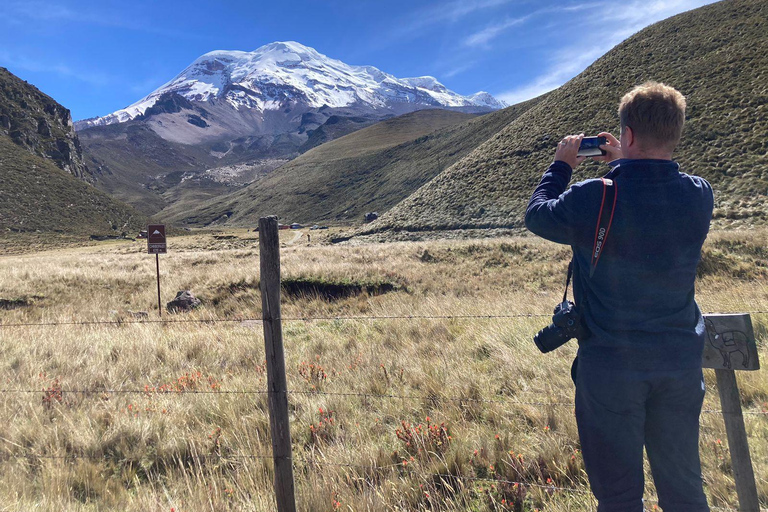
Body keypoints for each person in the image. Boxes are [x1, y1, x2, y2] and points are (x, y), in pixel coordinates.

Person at [525, 82, 713, 512]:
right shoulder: (700, 194)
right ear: (676, 132)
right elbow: (650, 197)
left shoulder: (594, 196)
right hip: (680, 361)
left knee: (619, 496)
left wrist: (561, 166)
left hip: (611, 367)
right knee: (684, 487)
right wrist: (625, 163)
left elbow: (537, 214)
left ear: (626, 135)